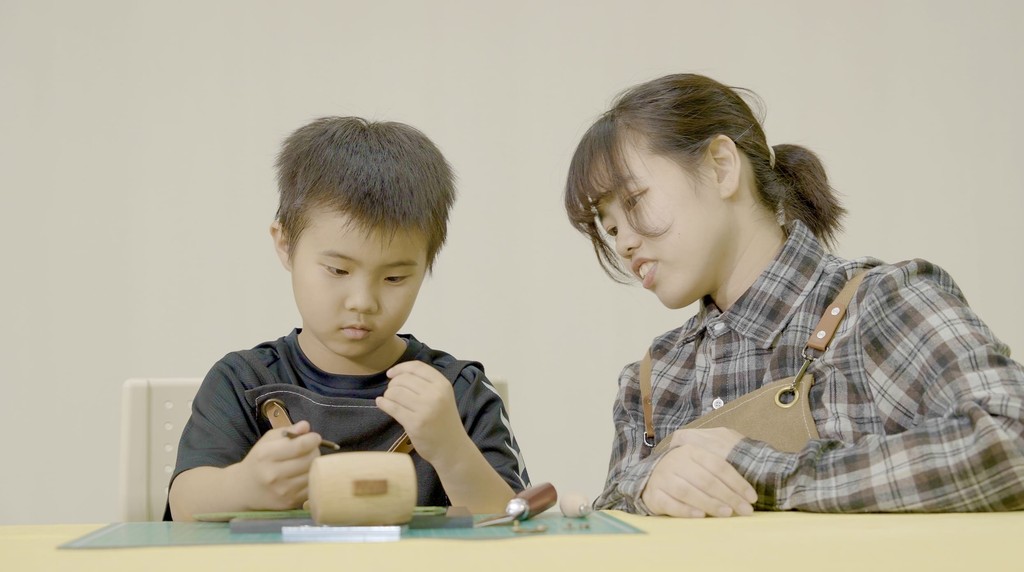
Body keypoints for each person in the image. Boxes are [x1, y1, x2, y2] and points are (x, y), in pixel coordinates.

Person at [563, 73, 1024, 517]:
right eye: (609, 225)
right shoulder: (650, 380)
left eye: (634, 200)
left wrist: (764, 471)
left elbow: (1012, 438)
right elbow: (617, 522)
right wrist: (643, 488)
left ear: (721, 167)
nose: (623, 242)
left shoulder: (880, 304)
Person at [167, 117, 529, 521]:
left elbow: (510, 519)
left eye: (394, 277)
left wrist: (450, 447)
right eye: (338, 271)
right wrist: (244, 485)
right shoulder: (243, 381)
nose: (363, 302)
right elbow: (185, 507)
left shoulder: (457, 392)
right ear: (285, 244)